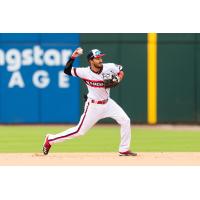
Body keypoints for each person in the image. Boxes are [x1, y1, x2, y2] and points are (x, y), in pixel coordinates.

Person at [42, 47, 137, 156]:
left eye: (101, 57)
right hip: (93, 106)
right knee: (79, 131)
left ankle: (123, 149)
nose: (100, 60)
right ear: (91, 61)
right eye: (97, 58)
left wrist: (119, 78)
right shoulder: (84, 72)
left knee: (125, 120)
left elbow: (120, 71)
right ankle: (50, 139)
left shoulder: (109, 67)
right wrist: (73, 57)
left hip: (108, 103)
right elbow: (67, 70)